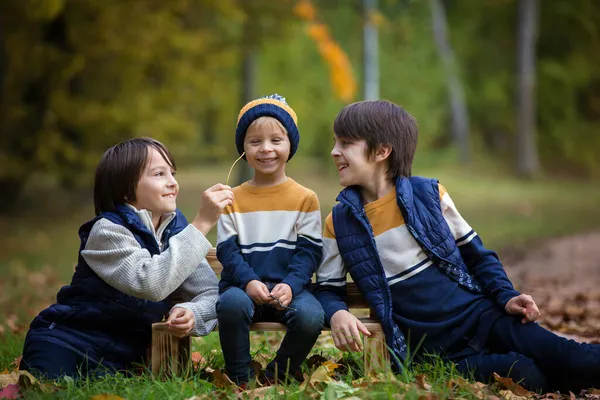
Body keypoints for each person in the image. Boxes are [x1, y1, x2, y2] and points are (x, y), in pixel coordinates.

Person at [314, 100, 600, 393]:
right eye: (336, 142)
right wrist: (337, 312)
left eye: (346, 143)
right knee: (528, 375)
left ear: (382, 151)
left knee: (571, 355)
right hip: (438, 350)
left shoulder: (429, 195)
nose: (334, 151)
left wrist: (506, 296)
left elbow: (478, 256)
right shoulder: (339, 223)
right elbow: (327, 289)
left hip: (482, 317)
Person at [21, 137, 234, 379]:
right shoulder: (108, 230)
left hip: (124, 360)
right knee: (46, 388)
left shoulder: (176, 231)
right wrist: (203, 222)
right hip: (68, 343)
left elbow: (211, 292)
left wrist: (192, 312)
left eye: (172, 173)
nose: (173, 182)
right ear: (125, 188)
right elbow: (150, 282)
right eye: (159, 174)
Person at [216, 94, 324, 387]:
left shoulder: (305, 198)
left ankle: (279, 372)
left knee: (311, 316)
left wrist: (290, 284)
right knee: (231, 305)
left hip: (290, 288)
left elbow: (309, 252)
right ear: (243, 149)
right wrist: (249, 282)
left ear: (290, 145)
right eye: (255, 142)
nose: (266, 149)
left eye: (276, 140)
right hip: (242, 286)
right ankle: (240, 376)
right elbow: (228, 251)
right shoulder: (232, 198)